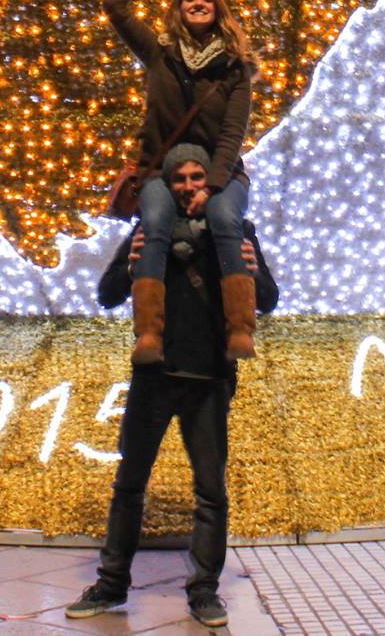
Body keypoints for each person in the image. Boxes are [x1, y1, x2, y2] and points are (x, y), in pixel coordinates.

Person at [68, 144, 280, 628]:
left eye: (197, 177)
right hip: (154, 378)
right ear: (169, 183)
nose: (188, 187)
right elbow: (106, 295)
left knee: (210, 491)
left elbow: (267, 299)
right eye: (180, 178)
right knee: (129, 485)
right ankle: (111, 583)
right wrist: (129, 264)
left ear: (212, 182)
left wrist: (250, 267)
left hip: (208, 379)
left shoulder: (236, 232)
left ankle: (205, 591)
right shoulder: (151, 231)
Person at [103, 0, 259, 363]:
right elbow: (114, 6)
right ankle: (149, 333)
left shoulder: (235, 67)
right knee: (154, 219)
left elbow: (232, 133)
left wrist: (213, 186)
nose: (198, 3)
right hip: (161, 173)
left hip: (219, 174)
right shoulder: (160, 53)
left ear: (218, 10)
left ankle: (240, 327)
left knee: (227, 219)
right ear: (178, 9)